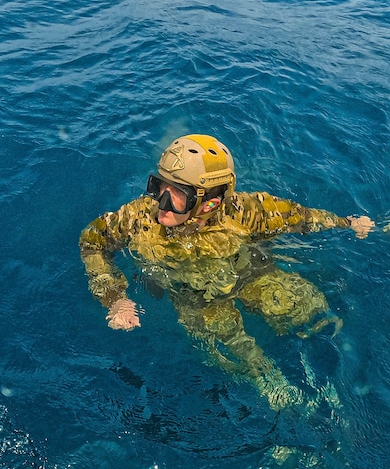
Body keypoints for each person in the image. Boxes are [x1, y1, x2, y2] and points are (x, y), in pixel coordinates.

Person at [79, 134, 374, 410]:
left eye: (177, 195)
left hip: (250, 274)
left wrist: (348, 223)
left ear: (211, 202)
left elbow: (300, 217)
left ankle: (338, 389)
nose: (160, 203)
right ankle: (282, 397)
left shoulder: (247, 212)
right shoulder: (139, 217)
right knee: (240, 354)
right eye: (158, 186)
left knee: (310, 311)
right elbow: (93, 240)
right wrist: (114, 297)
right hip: (196, 298)